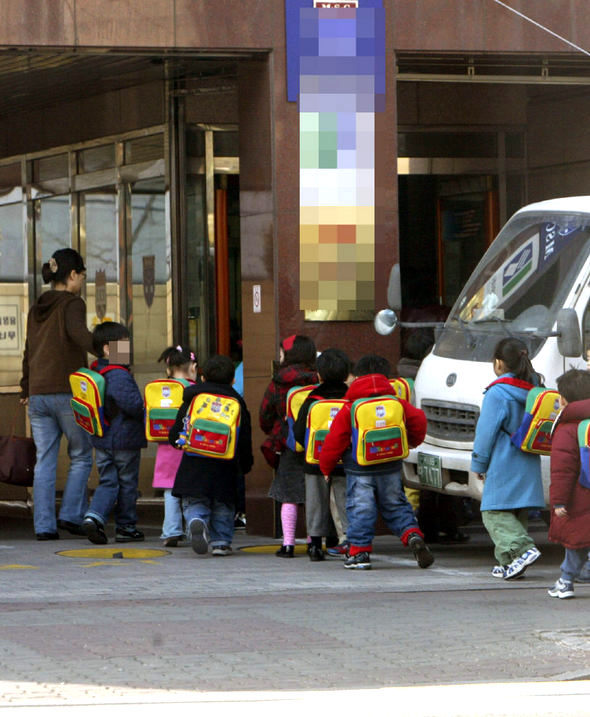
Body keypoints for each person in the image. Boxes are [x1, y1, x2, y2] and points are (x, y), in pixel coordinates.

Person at [319, 354, 434, 571]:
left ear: (357, 377)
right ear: (387, 377)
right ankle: (412, 535)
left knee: (361, 508)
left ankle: (360, 552)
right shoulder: (396, 403)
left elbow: (334, 440)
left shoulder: (350, 407)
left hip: (359, 468)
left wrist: (326, 466)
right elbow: (419, 420)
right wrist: (410, 443)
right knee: (396, 504)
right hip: (390, 465)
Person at [20, 248, 95, 540]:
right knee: (81, 454)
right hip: (67, 391)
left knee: (45, 460)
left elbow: (29, 349)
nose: (83, 282)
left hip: (38, 394)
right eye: (82, 276)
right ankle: (72, 516)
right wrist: (116, 349)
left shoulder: (36, 308)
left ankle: (44, 526)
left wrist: (26, 387)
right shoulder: (73, 304)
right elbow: (81, 335)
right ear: (73, 275)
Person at [471, 337, 545, 580]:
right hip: (529, 459)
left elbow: (486, 433)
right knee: (516, 512)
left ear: (499, 363)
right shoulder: (536, 391)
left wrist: (479, 464)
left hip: (504, 461)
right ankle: (509, 562)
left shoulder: (497, 393)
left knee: (492, 512)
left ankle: (522, 550)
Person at [168, 354, 253, 556]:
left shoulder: (192, 399)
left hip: (194, 464)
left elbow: (177, 432)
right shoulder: (237, 403)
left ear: (203, 378)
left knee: (195, 500)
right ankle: (221, 542)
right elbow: (244, 438)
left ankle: (197, 519)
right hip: (226, 465)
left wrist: (176, 442)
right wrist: (245, 464)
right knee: (223, 504)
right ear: (233, 380)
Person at [81, 322, 146, 544]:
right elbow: (133, 405)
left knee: (108, 480)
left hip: (101, 438)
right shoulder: (118, 374)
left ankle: (94, 516)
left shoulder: (96, 370)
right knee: (127, 482)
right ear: (108, 348)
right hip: (124, 439)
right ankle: (126, 527)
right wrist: (144, 408)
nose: (127, 349)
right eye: (124, 344)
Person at [259, 335, 317, 557]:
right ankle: (314, 542)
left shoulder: (278, 382)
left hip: (289, 444)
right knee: (314, 495)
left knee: (288, 496)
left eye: (282, 351)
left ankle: (288, 544)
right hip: (316, 445)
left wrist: (276, 431)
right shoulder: (317, 379)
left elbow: (264, 415)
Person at [293, 348, 352, 561]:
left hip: (314, 461)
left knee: (315, 500)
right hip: (345, 460)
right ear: (347, 374)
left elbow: (299, 431)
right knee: (344, 498)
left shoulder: (312, 399)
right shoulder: (351, 397)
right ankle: (348, 539)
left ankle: (316, 545)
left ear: (319, 374)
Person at [546, 369, 590, 598]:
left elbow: (563, 469)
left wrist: (559, 501)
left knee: (576, 544)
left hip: (578, 497)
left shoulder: (567, 427)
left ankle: (565, 582)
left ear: (564, 398)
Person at [151, 346, 197, 547]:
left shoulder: (158, 388)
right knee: (189, 491)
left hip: (165, 448)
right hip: (188, 446)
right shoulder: (193, 389)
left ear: (168, 369)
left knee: (170, 491)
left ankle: (170, 531)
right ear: (193, 367)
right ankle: (193, 528)